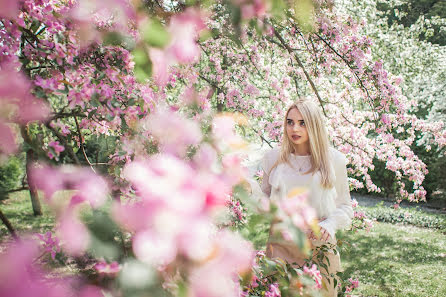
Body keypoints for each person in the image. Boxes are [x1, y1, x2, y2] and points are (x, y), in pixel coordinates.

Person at [260, 98, 353, 297]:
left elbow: (345, 207)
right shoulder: (272, 158)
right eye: (290, 121)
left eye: (303, 123)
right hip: (281, 245)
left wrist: (328, 225)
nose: (295, 128)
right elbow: (263, 203)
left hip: (319, 248)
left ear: (314, 125)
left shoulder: (333, 160)